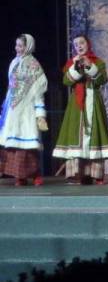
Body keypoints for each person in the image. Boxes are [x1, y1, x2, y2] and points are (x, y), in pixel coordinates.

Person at [53, 35, 108, 184]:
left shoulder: (98, 62)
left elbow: (102, 80)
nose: (79, 46)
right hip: (77, 104)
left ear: (88, 44)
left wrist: (89, 66)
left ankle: (95, 174)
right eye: (76, 44)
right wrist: (76, 68)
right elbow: (67, 81)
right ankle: (77, 174)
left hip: (93, 101)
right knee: (76, 135)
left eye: (82, 43)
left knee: (94, 134)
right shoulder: (71, 63)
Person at [0, 34, 48, 186]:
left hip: (27, 108)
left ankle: (35, 175)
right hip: (13, 108)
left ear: (28, 47)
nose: (17, 48)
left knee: (28, 143)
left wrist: (40, 113)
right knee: (13, 143)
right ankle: (19, 176)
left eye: (20, 46)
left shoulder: (34, 64)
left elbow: (39, 90)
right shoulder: (14, 62)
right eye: (16, 45)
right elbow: (11, 87)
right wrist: (5, 107)